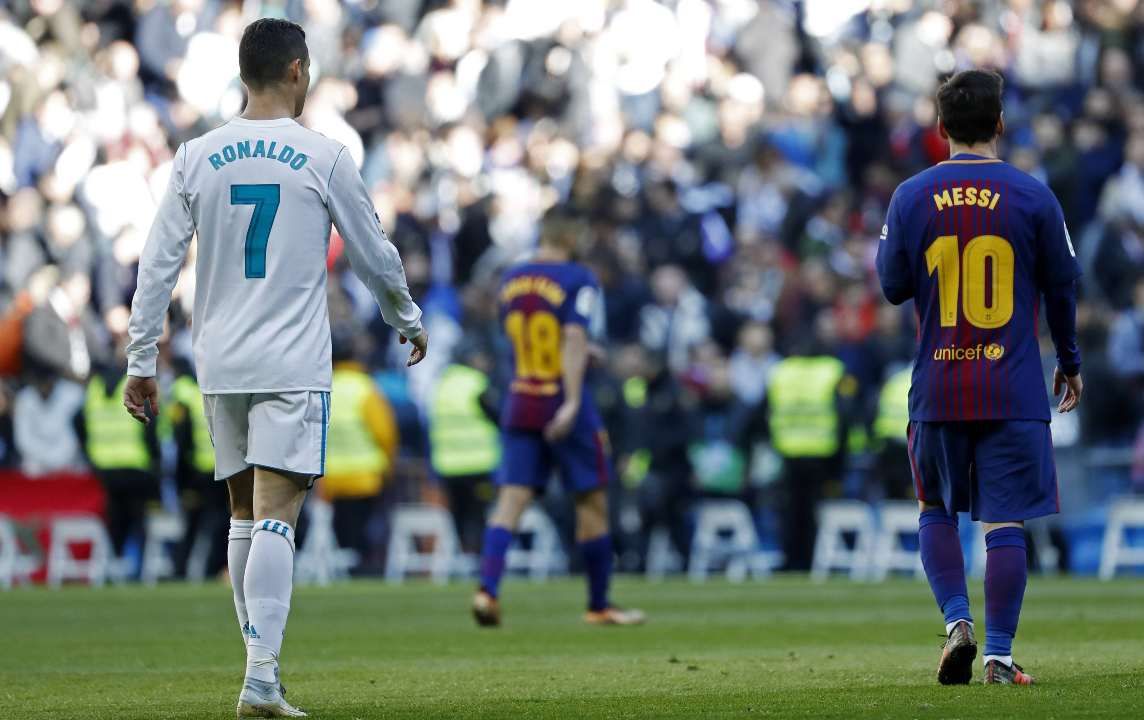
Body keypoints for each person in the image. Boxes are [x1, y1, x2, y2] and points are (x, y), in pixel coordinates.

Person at [123, 18, 427, 718]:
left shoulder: (197, 155)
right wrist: (405, 317)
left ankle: (260, 666)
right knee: (276, 515)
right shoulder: (322, 155)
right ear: (297, 70)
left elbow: (157, 262)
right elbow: (373, 251)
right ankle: (261, 675)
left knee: (242, 513)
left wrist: (142, 357)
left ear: (243, 70)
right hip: (290, 359)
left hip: (219, 360)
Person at [876, 69, 1082, 687]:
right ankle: (997, 655)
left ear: (941, 130)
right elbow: (1064, 286)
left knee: (935, 509)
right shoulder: (1034, 196)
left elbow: (891, 286)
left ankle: (956, 622)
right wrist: (1069, 360)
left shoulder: (911, 196)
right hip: (1012, 384)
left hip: (938, 384)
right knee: (1005, 521)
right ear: (999, 124)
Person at [472, 209, 644, 628]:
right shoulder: (579, 277)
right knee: (592, 499)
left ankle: (487, 590)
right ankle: (599, 603)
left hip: (521, 394)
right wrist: (569, 400)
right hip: (562, 399)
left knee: (511, 501)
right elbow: (571, 334)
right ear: (571, 234)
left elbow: (518, 335)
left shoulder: (511, 278)